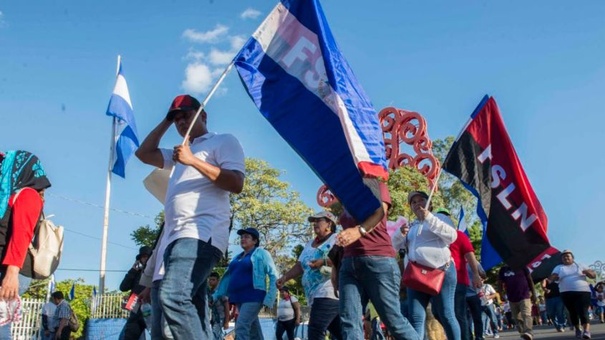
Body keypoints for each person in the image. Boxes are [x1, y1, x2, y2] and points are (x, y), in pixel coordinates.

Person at [135, 94, 245, 338]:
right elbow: (143, 153)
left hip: (200, 233)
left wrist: (192, 161)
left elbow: (236, 183)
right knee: (193, 307)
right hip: (174, 239)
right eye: (176, 119)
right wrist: (165, 120)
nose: (181, 122)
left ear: (203, 116)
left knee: (173, 296)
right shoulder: (179, 153)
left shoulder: (222, 141)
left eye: (186, 115)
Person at [335, 179, 419, 340]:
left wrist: (359, 230)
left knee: (393, 321)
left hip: (378, 260)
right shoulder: (345, 191)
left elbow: (380, 211)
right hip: (349, 263)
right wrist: (335, 270)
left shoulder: (376, 185)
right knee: (349, 322)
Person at [392, 191, 460, 340]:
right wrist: (399, 234)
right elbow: (393, 247)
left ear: (429, 203)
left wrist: (429, 218)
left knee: (446, 314)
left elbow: (452, 236)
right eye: (413, 202)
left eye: (420, 200)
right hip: (416, 276)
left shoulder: (440, 218)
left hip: (441, 273)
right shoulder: (410, 226)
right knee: (416, 317)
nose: (417, 204)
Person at [0, 151, 51, 337]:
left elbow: (21, 234)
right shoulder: (7, 196)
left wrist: (11, 274)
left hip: (9, 271)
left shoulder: (27, 195)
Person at [276, 210, 341, 339]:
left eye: (318, 220)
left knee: (315, 330)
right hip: (314, 294)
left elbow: (343, 258)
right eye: (313, 221)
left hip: (328, 291)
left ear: (329, 223)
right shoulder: (309, 244)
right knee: (341, 333)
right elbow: (300, 265)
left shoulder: (337, 239)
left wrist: (323, 262)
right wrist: (285, 278)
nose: (315, 223)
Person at [215, 228, 278, 340]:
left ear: (255, 241)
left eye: (247, 237)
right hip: (239, 298)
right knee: (253, 331)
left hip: (253, 296)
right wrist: (215, 295)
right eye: (242, 237)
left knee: (241, 326)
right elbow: (226, 278)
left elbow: (273, 275)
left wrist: (270, 298)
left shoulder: (261, 254)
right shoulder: (237, 257)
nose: (243, 239)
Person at [435, 208, 482, 340]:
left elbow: (470, 255)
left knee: (457, 313)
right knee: (438, 312)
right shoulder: (433, 236)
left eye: (444, 218)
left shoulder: (458, 235)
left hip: (459, 281)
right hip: (437, 281)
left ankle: (465, 337)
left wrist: (476, 274)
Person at [550, 249, 596, 339]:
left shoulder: (580, 265)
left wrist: (587, 272)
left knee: (583, 311)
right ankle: (577, 329)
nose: (565, 258)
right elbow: (552, 277)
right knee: (573, 312)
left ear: (572, 258)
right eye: (563, 257)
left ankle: (586, 331)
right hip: (566, 293)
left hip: (582, 292)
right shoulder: (559, 267)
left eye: (568, 256)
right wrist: (555, 277)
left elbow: (593, 275)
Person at [119, 246, 152, 339]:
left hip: (152, 309)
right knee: (129, 335)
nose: (145, 259)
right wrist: (133, 270)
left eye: (147, 257)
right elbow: (123, 287)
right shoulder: (136, 273)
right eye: (143, 257)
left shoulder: (155, 272)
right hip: (136, 311)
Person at [498, 265, 536, 340]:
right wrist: (500, 293)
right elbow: (499, 282)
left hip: (524, 295)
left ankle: (529, 332)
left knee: (526, 314)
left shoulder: (522, 266)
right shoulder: (503, 270)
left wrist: (534, 294)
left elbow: (530, 280)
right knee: (516, 318)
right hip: (512, 297)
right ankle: (523, 334)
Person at [208, 272, 230, 340]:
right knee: (218, 337)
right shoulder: (210, 292)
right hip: (214, 319)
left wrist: (226, 321)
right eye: (210, 279)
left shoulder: (221, 291)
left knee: (214, 336)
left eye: (213, 280)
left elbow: (226, 306)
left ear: (218, 280)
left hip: (220, 318)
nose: (211, 281)